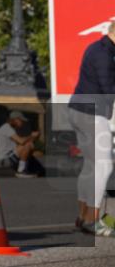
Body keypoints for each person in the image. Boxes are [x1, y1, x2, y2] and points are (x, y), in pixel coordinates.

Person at [68, 19, 115, 237]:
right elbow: (108, 89)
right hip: (92, 114)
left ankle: (83, 216)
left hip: (78, 110)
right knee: (104, 166)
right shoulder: (104, 56)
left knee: (90, 165)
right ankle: (93, 220)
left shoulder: (96, 47)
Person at [0, 111, 44, 178]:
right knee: (28, 145)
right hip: (5, 159)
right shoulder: (7, 128)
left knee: (40, 170)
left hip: (10, 156)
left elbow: (21, 143)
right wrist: (31, 135)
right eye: (21, 121)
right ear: (16, 119)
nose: (22, 123)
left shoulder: (12, 129)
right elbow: (21, 142)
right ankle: (21, 171)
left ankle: (28, 169)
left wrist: (34, 138)